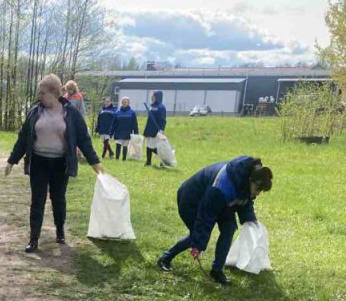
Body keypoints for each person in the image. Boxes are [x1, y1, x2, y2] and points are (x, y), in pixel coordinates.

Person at [5, 73, 103, 253]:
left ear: (55, 93)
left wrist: (94, 162)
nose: (39, 96)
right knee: (37, 201)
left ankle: (60, 231)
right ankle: (33, 239)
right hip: (38, 162)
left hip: (60, 164)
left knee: (58, 200)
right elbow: (23, 137)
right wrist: (12, 160)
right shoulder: (35, 111)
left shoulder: (71, 113)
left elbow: (83, 138)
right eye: (39, 93)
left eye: (43, 93)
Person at [156, 156, 273, 286]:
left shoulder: (247, 177)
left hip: (220, 201)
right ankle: (165, 258)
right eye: (258, 189)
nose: (258, 194)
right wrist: (198, 244)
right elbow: (205, 216)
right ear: (251, 180)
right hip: (192, 199)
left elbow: (244, 202)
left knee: (229, 228)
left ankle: (217, 271)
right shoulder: (222, 186)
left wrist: (250, 220)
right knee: (195, 235)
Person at [110, 97, 139, 161]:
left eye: (125, 102)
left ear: (128, 103)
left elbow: (135, 123)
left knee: (125, 146)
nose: (124, 103)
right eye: (123, 102)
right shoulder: (117, 112)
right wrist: (111, 134)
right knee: (118, 145)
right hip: (118, 132)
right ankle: (117, 159)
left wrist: (136, 133)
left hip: (127, 132)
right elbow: (113, 124)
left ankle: (124, 159)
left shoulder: (132, 112)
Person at [143, 89, 167, 166]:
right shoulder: (152, 105)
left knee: (152, 146)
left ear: (157, 97)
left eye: (153, 96)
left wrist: (161, 129)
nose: (152, 97)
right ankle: (149, 161)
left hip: (156, 129)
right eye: (152, 96)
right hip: (149, 128)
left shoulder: (161, 107)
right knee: (148, 145)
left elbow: (163, 120)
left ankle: (163, 159)